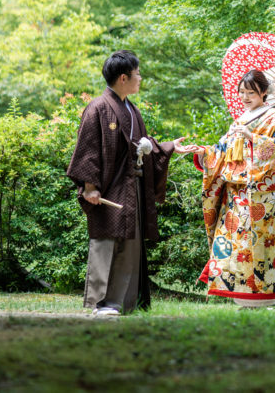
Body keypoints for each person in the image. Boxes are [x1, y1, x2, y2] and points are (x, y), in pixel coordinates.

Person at [66, 50, 191, 316]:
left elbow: (140, 146)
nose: (140, 78)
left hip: (132, 186)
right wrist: (89, 186)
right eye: (137, 74)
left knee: (130, 243)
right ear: (124, 78)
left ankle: (122, 303)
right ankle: (101, 303)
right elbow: (88, 149)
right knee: (107, 240)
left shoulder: (131, 110)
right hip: (109, 187)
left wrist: (168, 147)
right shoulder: (98, 107)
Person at [192, 69, 275, 307]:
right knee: (232, 245)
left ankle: (262, 297)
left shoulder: (273, 118)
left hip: (259, 195)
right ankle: (238, 293)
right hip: (235, 194)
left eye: (251, 92)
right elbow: (221, 151)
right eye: (242, 92)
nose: (245, 97)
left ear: (264, 92)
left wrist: (252, 137)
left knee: (259, 244)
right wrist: (203, 152)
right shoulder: (239, 119)